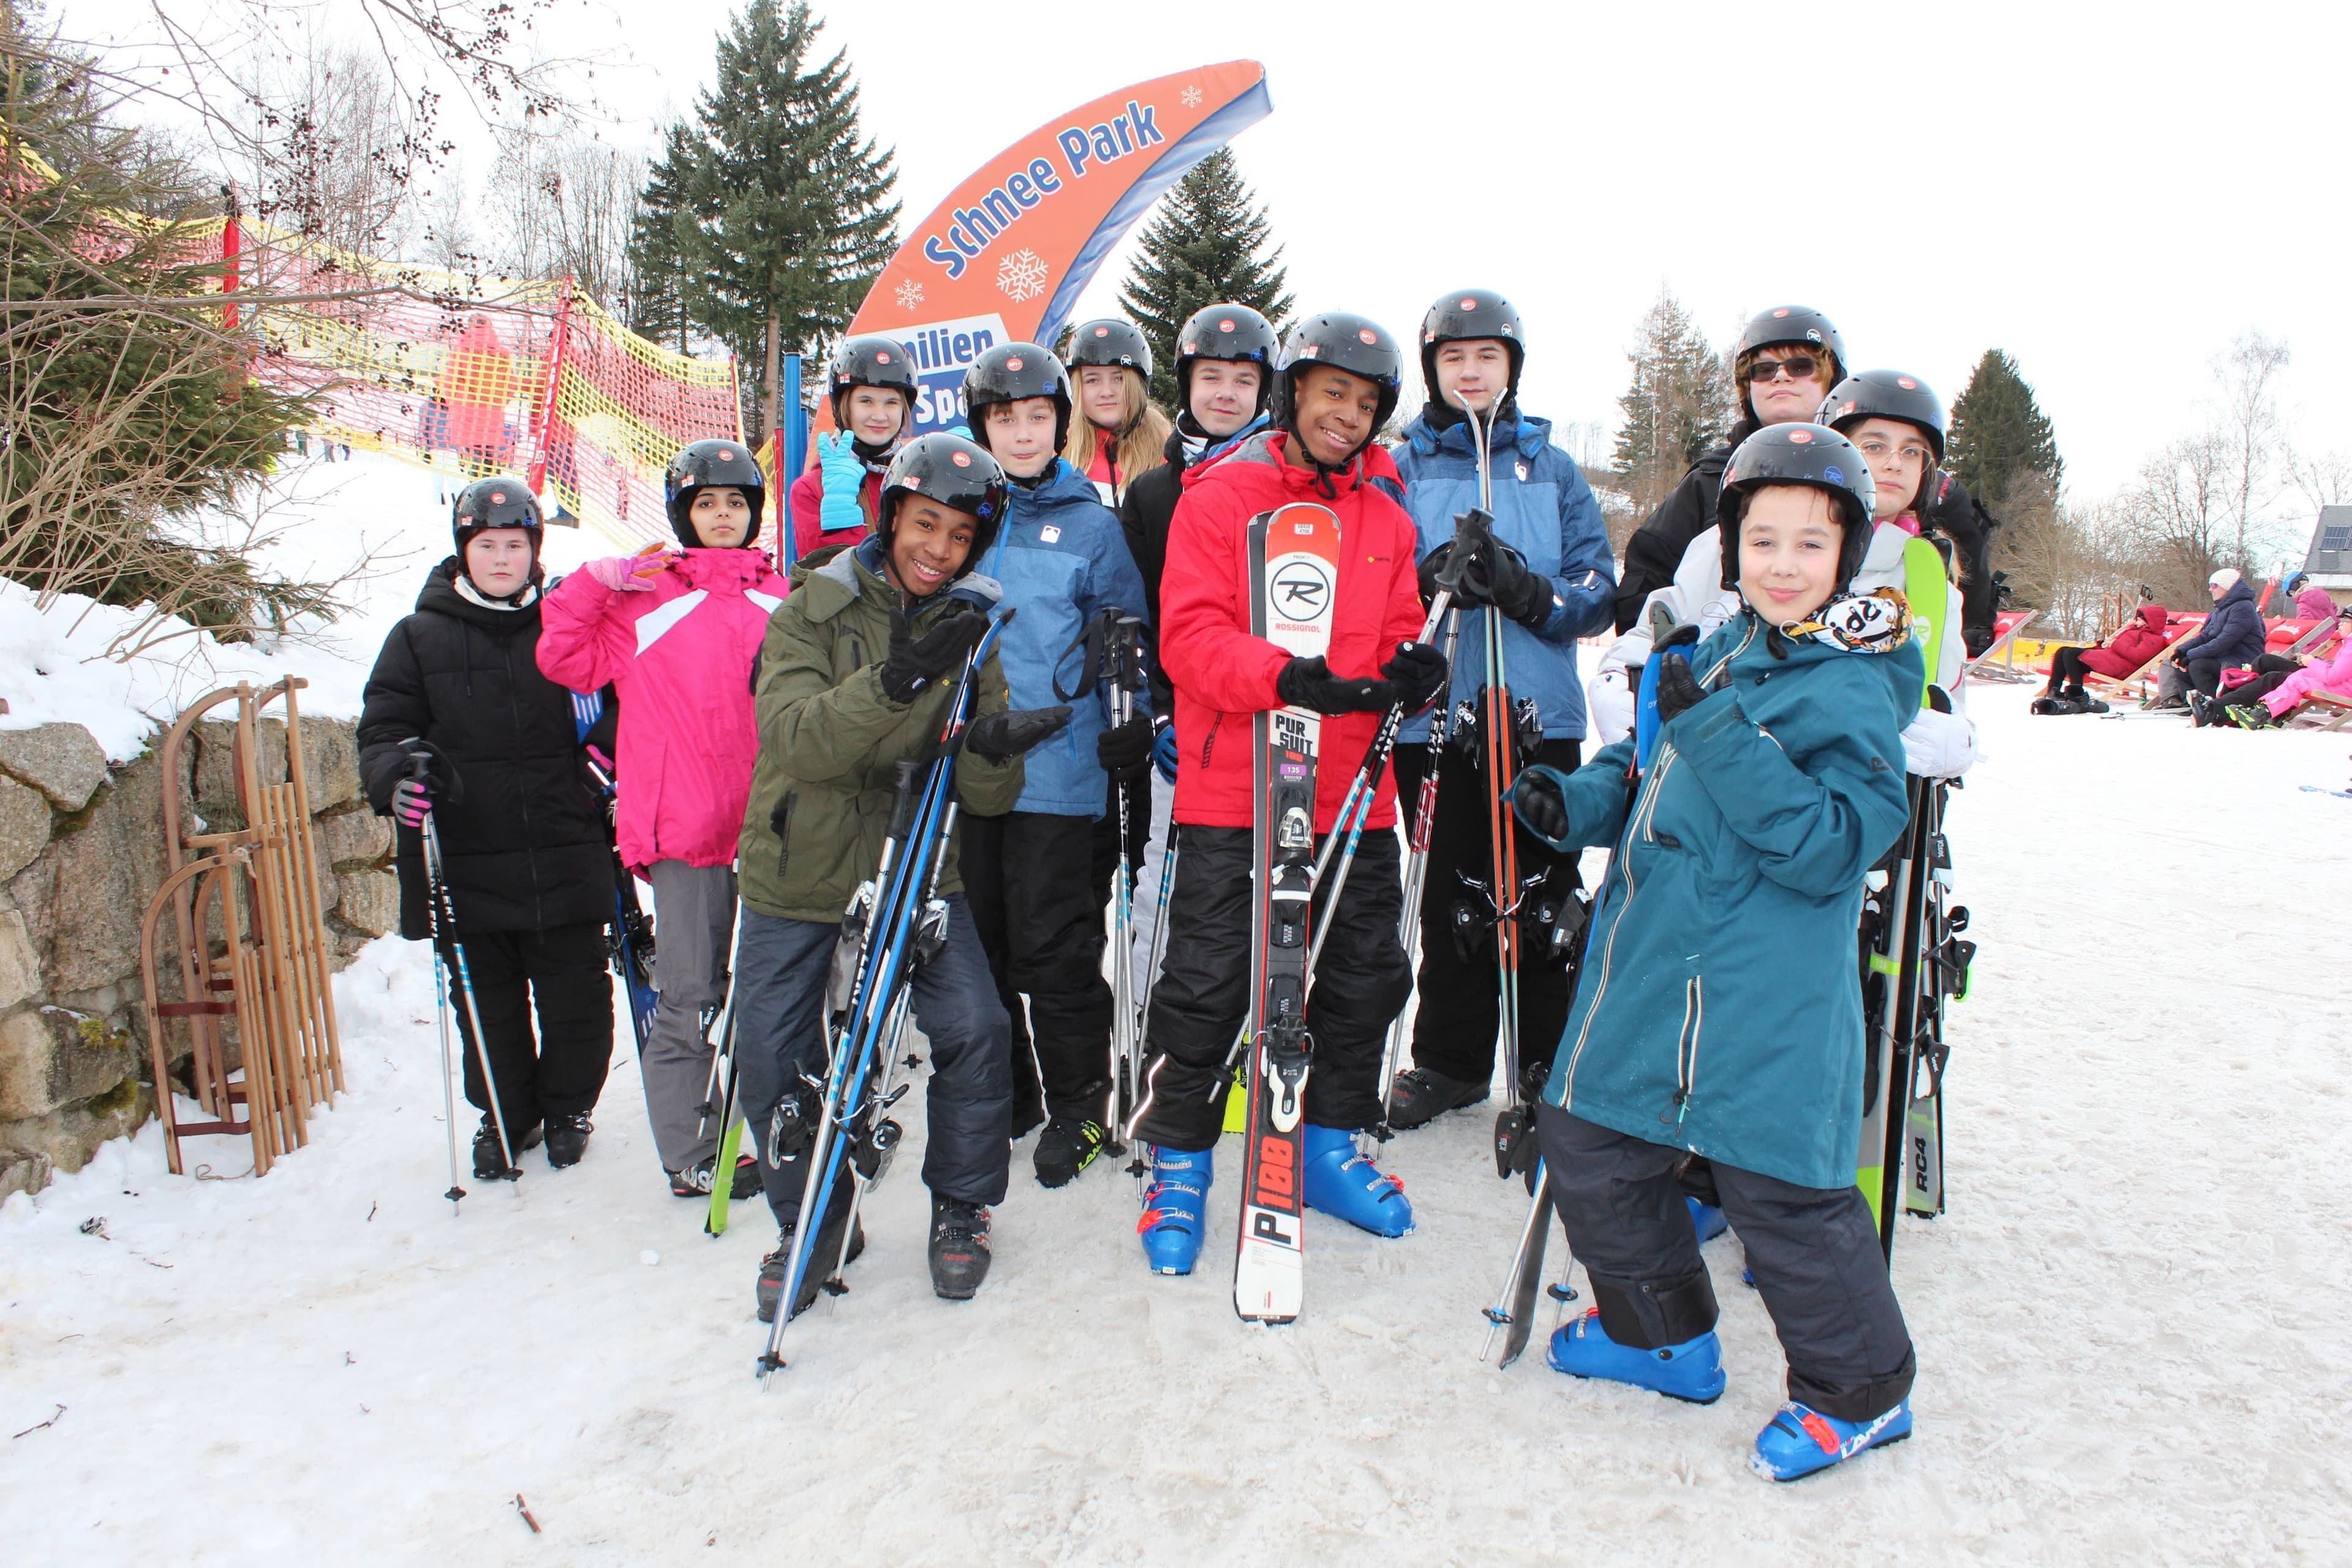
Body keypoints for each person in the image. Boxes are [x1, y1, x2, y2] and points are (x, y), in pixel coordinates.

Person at [1507, 424, 1922, 1483]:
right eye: (1763, 540)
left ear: (1847, 556)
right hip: (1654, 965)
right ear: (1731, 547)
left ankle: (1861, 1394)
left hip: (1763, 991)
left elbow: (1834, 846)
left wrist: (1723, 733)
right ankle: (1663, 1337)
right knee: (1588, 1133)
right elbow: (1646, 770)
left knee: (1778, 1189)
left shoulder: (1855, 685)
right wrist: (1572, 802)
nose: (1783, 565)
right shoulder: (1708, 648)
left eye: (1811, 545)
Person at [1128, 311, 1448, 1275]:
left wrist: (1414, 668)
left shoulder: (1388, 517)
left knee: (1363, 980)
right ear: (1294, 393)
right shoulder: (1222, 498)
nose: (1345, 416)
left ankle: (1324, 1145)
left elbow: (1395, 633)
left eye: (1365, 402)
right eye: (1330, 394)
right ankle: (1179, 1161)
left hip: (1354, 790)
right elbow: (1186, 636)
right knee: (1208, 982)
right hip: (1239, 784)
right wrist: (1284, 677)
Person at [733, 432, 1074, 1317]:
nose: (939, 550)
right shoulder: (814, 606)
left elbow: (988, 800)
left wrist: (993, 751)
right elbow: (798, 741)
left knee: (974, 1028)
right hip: (800, 872)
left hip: (920, 869)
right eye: (926, 525)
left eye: (961, 537)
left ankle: (962, 1207)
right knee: (772, 1055)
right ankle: (812, 1220)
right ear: (892, 518)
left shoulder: (973, 631)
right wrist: (896, 679)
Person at [1381, 289, 1617, 1132]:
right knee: (1448, 886)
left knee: (1543, 884)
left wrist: (1527, 592)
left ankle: (1549, 1055)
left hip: (1536, 711)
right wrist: (1423, 580)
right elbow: (1373, 577)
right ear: (1433, 370)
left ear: (1512, 367)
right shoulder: (1403, 466)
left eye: (1488, 357)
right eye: (1455, 358)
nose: (1472, 372)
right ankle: (1449, 1058)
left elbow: (1598, 593)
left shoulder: (1551, 469)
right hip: (1436, 713)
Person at [535, 439, 790, 1200]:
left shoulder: (782, 596)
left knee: (771, 991)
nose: (722, 516)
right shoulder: (643, 598)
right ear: (684, 513)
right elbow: (562, 656)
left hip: (773, 825)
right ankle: (689, 1145)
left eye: (736, 503)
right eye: (706, 503)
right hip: (685, 828)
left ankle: (766, 1131)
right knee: (688, 992)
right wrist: (593, 580)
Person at [359, 478, 616, 1178]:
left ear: (535, 551)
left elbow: (613, 710)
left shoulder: (565, 626)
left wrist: (612, 757)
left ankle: (567, 1105)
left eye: (515, 545)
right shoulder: (418, 637)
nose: (501, 559)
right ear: (463, 551)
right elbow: (384, 729)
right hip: (469, 857)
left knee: (576, 995)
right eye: (486, 545)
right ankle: (505, 1115)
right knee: (488, 1004)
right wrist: (397, 775)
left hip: (565, 846)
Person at [954, 342, 1154, 1187]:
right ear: (982, 427)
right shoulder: (959, 512)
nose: (1025, 432)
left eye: (1039, 417)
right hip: (969, 774)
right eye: (1007, 419)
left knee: (1055, 950)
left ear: (1060, 423)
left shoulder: (1090, 523)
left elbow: (1127, 646)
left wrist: (1132, 723)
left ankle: (1079, 1101)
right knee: (983, 947)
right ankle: (1018, 1092)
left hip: (1061, 776)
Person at [1610, 305, 1846, 635]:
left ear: (1832, 378)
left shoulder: (1870, 477)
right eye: (1763, 370)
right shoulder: (1711, 480)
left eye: (1801, 366)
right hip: (1727, 667)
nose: (1781, 376)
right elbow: (1648, 577)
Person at [788, 335, 918, 561]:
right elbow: (825, 578)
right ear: (843, 406)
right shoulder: (813, 489)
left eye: (891, 402)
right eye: (866, 401)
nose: (879, 416)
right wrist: (839, 514)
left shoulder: (916, 477)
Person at [1062, 318, 1172, 507]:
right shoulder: (1061, 452)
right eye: (1092, 380)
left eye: (1119, 379)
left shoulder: (1168, 451)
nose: (1107, 392)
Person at [2204, 603, 2352, 727]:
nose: (2340, 624)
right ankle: (2247, 704)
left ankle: (2258, 711)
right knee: (2288, 671)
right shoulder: (2348, 645)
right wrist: (2316, 662)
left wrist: (2312, 662)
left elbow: (2333, 676)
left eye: (2345, 621)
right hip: (2342, 684)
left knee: (2295, 679)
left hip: (2343, 689)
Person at [2041, 602, 2171, 713]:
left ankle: (2077, 694)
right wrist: (2105, 644)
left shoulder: (2153, 639)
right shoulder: (2134, 631)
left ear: (2149, 621)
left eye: (2139, 619)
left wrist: (2115, 644)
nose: (2135, 621)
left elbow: (2139, 657)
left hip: (2120, 666)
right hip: (2109, 659)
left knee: (2071, 654)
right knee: (2063, 651)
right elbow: (2119, 647)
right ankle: (2054, 690)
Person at [2168, 568, 2265, 699]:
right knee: (2181, 665)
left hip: (2244, 659)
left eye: (2214, 585)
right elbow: (2206, 636)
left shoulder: (2243, 608)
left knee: (2198, 665)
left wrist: (2191, 655)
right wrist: (2182, 651)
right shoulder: (2221, 609)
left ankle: (2214, 706)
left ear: (2227, 587)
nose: (2211, 589)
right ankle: (2192, 704)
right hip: (2225, 656)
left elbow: (2224, 642)